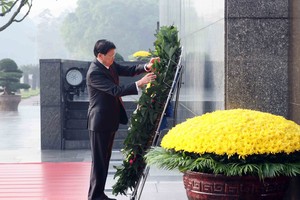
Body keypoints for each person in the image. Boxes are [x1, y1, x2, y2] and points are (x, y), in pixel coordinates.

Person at [86, 39, 158, 200]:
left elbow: (128, 69)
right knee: (99, 162)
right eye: (111, 55)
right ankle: (94, 196)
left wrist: (146, 67)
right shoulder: (94, 72)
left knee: (104, 160)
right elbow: (115, 90)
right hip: (99, 122)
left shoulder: (109, 64)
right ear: (100, 55)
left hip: (109, 120)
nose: (113, 58)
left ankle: (98, 194)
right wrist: (140, 83)